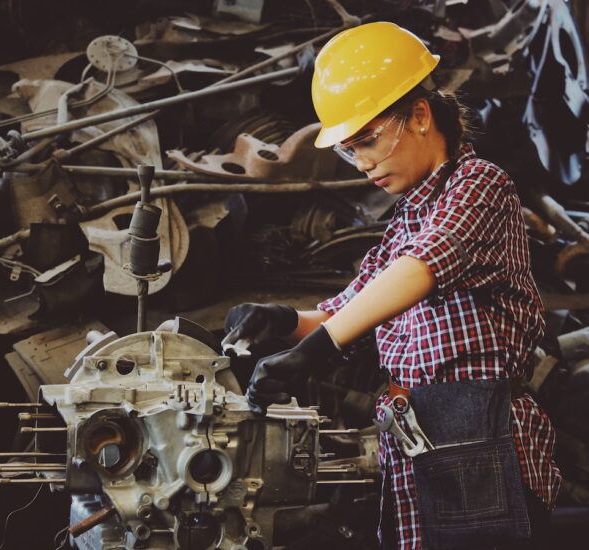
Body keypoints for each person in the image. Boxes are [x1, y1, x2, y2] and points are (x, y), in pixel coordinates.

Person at [222, 22, 561, 550]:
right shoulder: (405, 220)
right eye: (350, 150)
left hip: (480, 441)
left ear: (420, 115)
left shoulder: (481, 187)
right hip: (422, 440)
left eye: (370, 140)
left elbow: (419, 271)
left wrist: (314, 350)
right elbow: (351, 309)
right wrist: (283, 320)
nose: (363, 164)